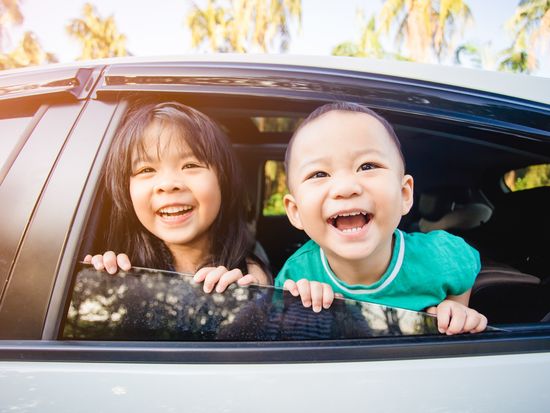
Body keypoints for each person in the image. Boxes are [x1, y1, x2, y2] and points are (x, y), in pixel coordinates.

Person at [275, 102, 487, 335]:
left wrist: (456, 307)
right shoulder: (297, 275)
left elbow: (465, 271)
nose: (346, 188)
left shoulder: (441, 255)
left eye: (367, 166)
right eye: (319, 174)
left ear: (405, 194)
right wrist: (300, 306)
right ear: (295, 211)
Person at [85, 101, 271, 293]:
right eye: (146, 169)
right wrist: (95, 278)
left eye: (190, 165)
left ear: (223, 180)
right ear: (126, 190)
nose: (168, 184)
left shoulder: (250, 274)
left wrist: (247, 302)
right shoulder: (122, 269)